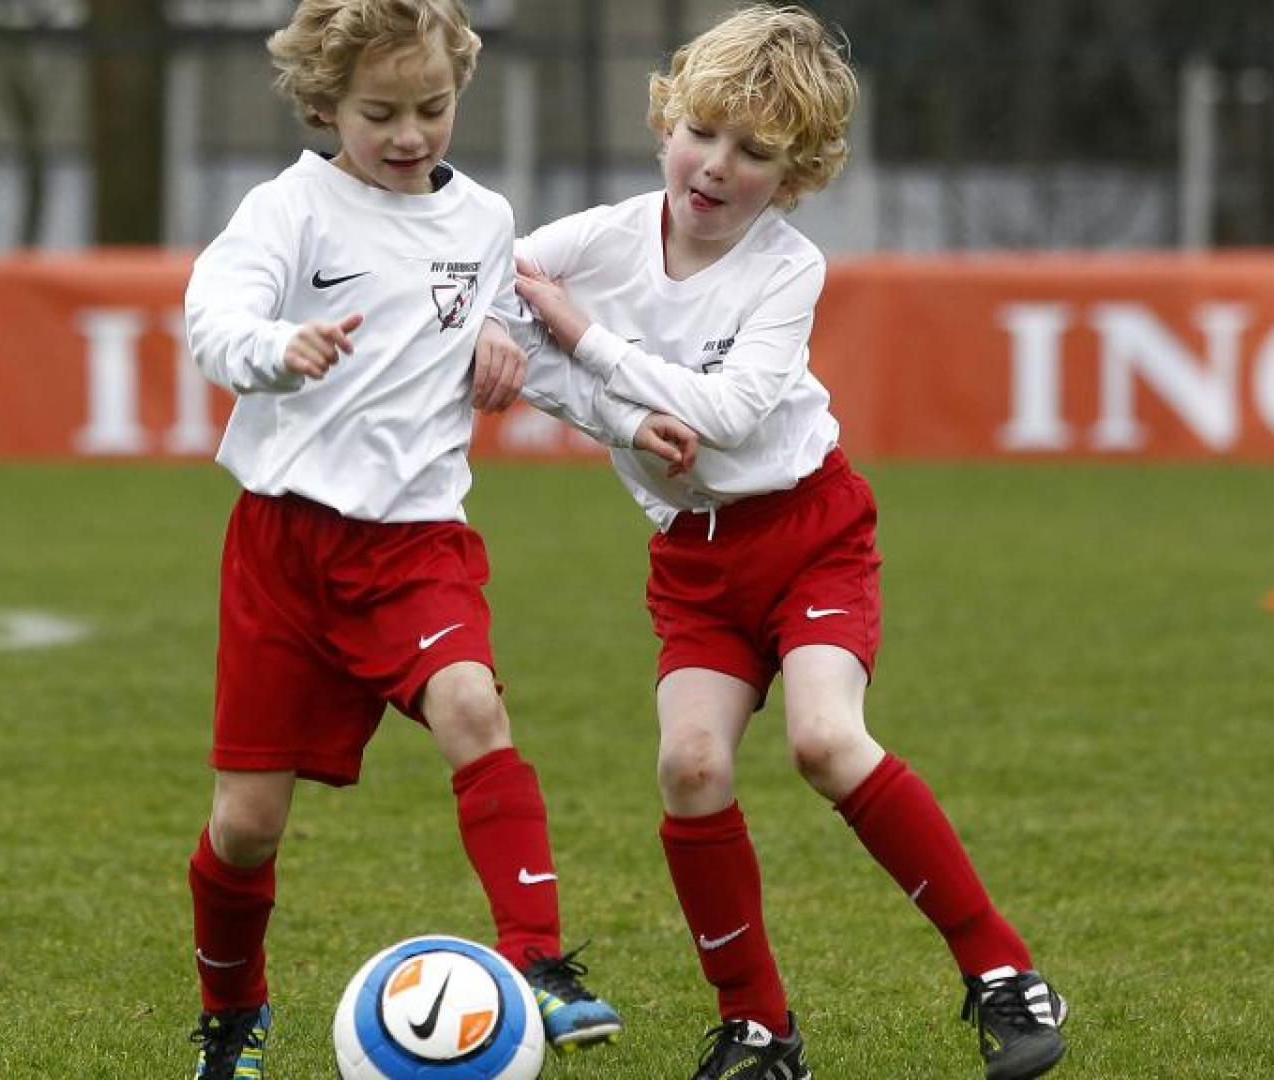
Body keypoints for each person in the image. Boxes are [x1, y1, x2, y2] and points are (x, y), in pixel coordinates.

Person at [495, 6, 1071, 1079]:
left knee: (823, 741)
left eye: (754, 153)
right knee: (690, 763)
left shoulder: (786, 268)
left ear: (796, 174)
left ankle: (1002, 972)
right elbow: (492, 303)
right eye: (703, 132)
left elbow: (725, 411)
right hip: (696, 562)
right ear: (668, 116)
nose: (715, 167)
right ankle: (758, 1030)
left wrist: (579, 336)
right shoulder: (601, 235)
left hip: (809, 534)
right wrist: (542, 359)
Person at [174, 1, 684, 1075]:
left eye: (433, 108)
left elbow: (497, 329)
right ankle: (232, 1018)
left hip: (417, 544)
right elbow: (214, 316)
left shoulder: (484, 220)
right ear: (323, 105)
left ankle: (540, 964)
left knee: (472, 707)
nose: (410, 135)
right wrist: (280, 345)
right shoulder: (290, 211)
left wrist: (510, 339)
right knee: (247, 826)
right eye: (380, 113)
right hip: (284, 552)